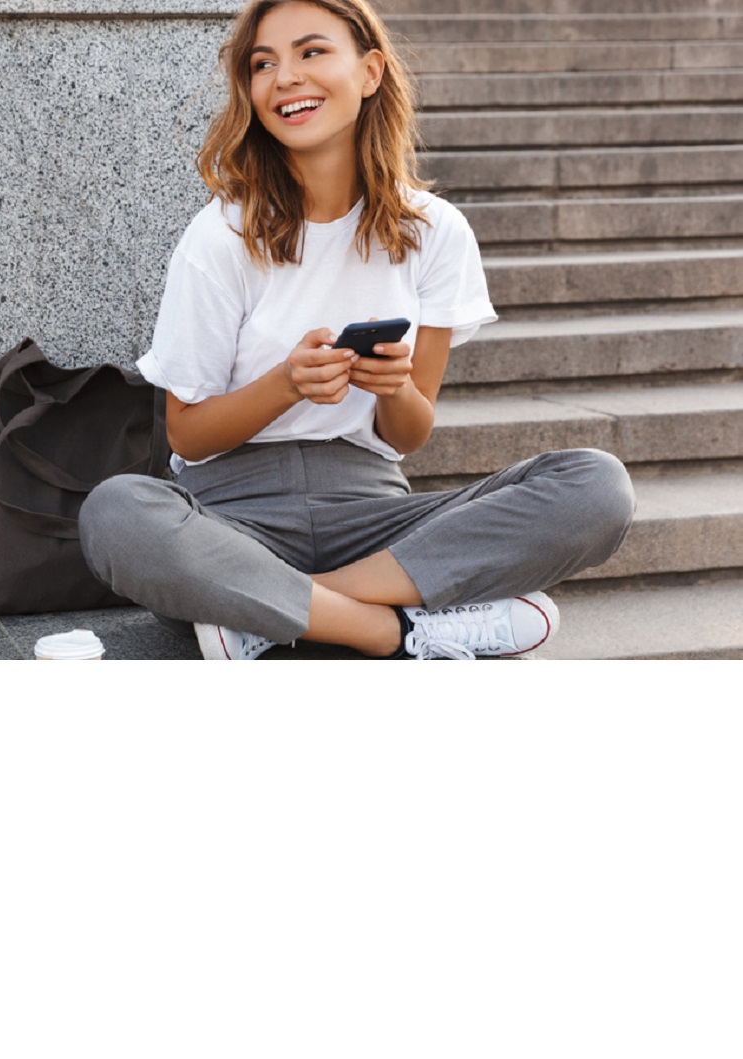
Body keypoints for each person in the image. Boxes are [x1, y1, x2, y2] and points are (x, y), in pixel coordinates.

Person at [78, 0, 635, 659]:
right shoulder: (222, 234)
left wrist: (395, 389)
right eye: (264, 63)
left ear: (370, 71)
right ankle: (394, 630)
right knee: (116, 514)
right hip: (232, 518)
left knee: (594, 486)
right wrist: (286, 384)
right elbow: (188, 434)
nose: (284, 77)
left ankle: (273, 609)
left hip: (374, 515)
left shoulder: (434, 233)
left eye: (311, 52)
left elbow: (409, 433)